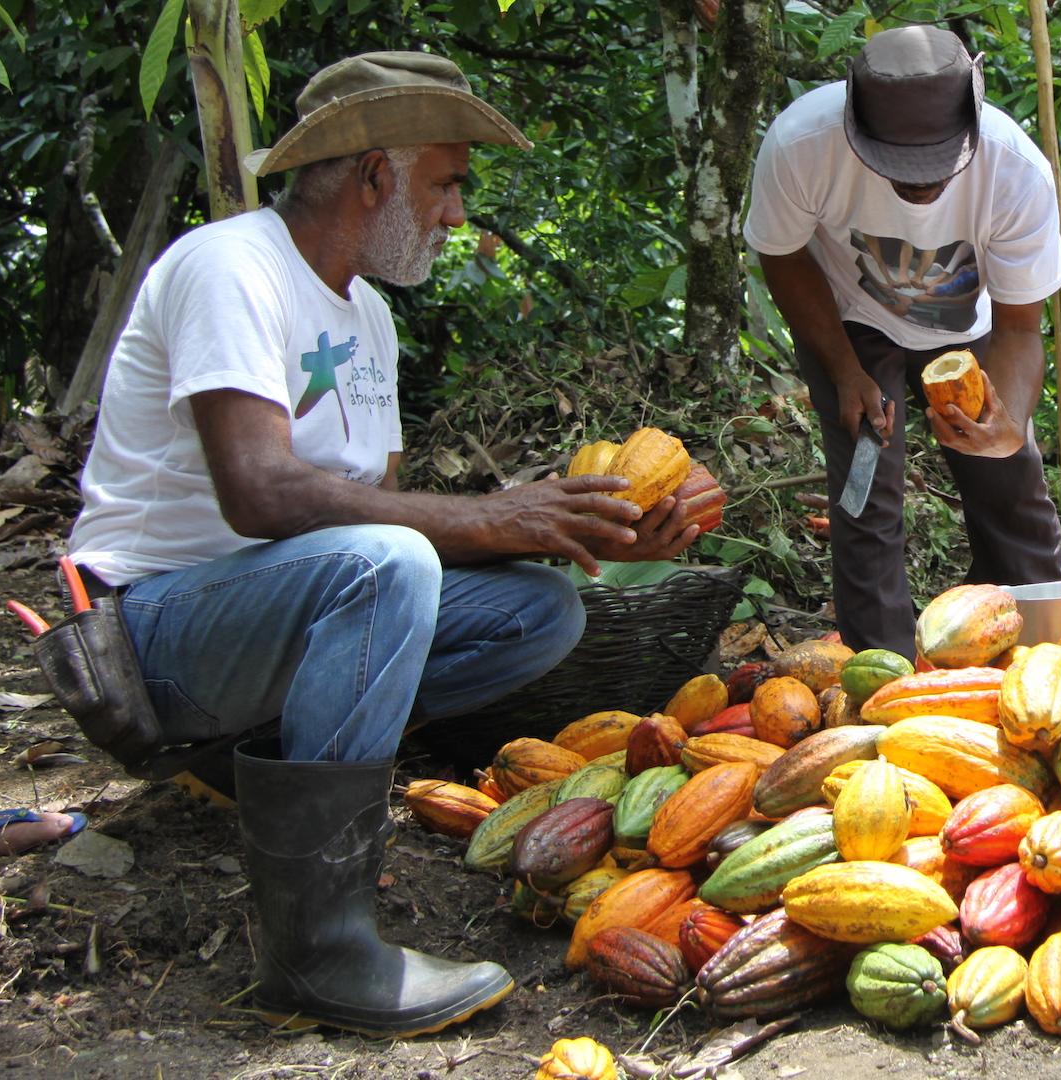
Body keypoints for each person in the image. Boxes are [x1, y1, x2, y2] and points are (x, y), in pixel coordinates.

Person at [65, 52, 696, 1038]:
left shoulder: (370, 323)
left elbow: (381, 530)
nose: (455, 213)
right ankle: (320, 952)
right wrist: (495, 513)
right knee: (390, 562)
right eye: (445, 183)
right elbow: (262, 491)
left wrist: (574, 528)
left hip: (268, 625)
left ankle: (254, 761)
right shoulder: (230, 265)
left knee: (541, 610)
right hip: (152, 635)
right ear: (374, 177)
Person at [745, 25, 1061, 657]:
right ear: (856, 127)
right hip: (849, 320)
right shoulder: (801, 144)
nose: (918, 185)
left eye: (935, 167)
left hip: (969, 329)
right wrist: (843, 370)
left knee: (1009, 479)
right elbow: (781, 256)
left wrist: (1007, 426)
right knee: (867, 487)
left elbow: (1020, 329)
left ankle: (1045, 651)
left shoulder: (1015, 169)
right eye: (896, 166)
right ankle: (884, 678)